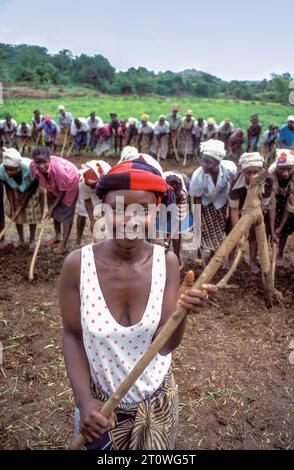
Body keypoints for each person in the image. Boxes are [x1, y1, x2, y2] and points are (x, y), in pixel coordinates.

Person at [59, 157, 217, 450]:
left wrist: (182, 313)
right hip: (101, 410)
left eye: (142, 211)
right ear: (103, 209)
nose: (130, 221)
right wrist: (84, 401)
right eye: (119, 209)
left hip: (157, 406)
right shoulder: (77, 265)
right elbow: (72, 335)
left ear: (156, 211)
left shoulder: (167, 263)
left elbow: (165, 346)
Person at [189, 140, 237, 254]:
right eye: (203, 161)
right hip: (204, 203)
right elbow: (195, 198)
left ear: (218, 163)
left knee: (218, 229)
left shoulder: (229, 169)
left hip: (221, 202)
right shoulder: (198, 176)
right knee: (202, 229)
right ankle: (200, 254)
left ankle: (213, 254)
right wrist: (197, 215)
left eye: (208, 162)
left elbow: (235, 180)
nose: (204, 164)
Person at [229, 152, 273, 273]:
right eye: (248, 173)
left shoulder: (268, 179)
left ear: (261, 171)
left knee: (254, 236)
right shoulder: (235, 182)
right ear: (242, 172)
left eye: (255, 172)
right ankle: (230, 260)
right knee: (234, 235)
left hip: (257, 209)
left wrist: (252, 222)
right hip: (240, 208)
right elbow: (234, 209)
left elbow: (264, 205)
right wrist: (240, 230)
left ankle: (252, 261)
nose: (253, 176)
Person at [31, 147, 79, 255]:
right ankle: (57, 236)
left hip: (69, 183)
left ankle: (63, 244)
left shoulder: (59, 170)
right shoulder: (33, 166)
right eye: (38, 162)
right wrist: (52, 207)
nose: (41, 165)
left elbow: (62, 191)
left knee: (66, 213)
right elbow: (39, 178)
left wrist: (51, 208)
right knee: (54, 211)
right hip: (51, 185)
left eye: (44, 162)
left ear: (49, 159)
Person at [0, 148, 44, 248]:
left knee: (32, 213)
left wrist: (25, 200)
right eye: (8, 170)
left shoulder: (29, 167)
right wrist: (13, 206)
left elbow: (35, 183)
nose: (10, 172)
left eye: (13, 170)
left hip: (32, 188)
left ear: (19, 166)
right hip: (15, 189)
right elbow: (8, 188)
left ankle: (32, 239)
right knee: (17, 214)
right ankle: (21, 239)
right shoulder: (1, 170)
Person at [268, 149, 294, 266]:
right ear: (277, 167)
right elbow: (271, 204)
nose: (285, 173)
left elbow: (290, 205)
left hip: (289, 203)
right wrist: (274, 229)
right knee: (268, 228)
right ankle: (268, 254)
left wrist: (280, 227)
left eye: (289, 169)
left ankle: (279, 254)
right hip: (274, 202)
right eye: (282, 169)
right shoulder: (270, 175)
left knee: (285, 229)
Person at [76, 160, 111, 246]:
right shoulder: (82, 183)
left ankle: (106, 241)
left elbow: (108, 199)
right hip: (92, 188)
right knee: (82, 212)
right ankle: (78, 241)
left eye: (93, 185)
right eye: (89, 185)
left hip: (105, 190)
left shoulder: (108, 176)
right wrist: (92, 221)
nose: (92, 187)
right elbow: (87, 201)